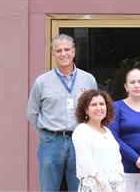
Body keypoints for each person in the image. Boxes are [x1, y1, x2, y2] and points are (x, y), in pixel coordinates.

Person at [27, 34, 98, 191]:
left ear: (73, 52)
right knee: (48, 188)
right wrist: (46, 130)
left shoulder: (88, 80)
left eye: (67, 49)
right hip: (51, 141)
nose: (63, 54)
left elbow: (95, 110)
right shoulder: (42, 82)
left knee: (80, 187)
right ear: (53, 54)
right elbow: (32, 112)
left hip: (79, 140)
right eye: (58, 50)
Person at [73, 89, 125, 192]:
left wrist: (120, 187)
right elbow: (86, 164)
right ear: (86, 110)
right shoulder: (82, 130)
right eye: (93, 105)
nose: (98, 108)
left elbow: (118, 162)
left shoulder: (107, 131)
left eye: (102, 104)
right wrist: (106, 189)